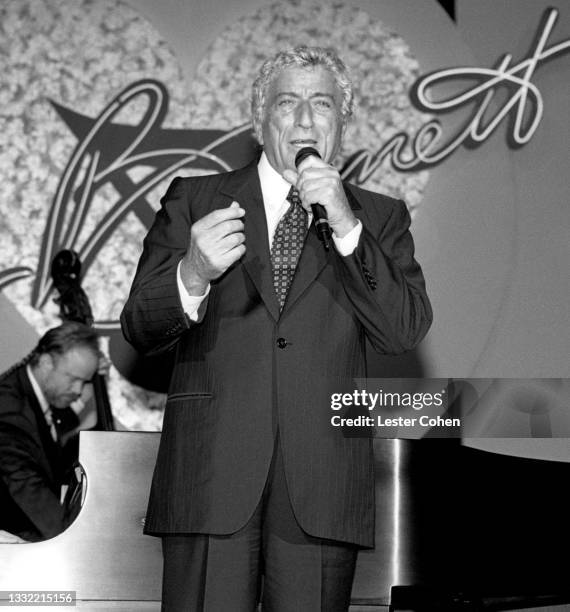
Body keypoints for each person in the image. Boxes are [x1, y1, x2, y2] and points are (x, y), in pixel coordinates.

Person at [121, 45, 432, 611]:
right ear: (258, 117)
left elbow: (404, 331)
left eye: (323, 105)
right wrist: (191, 273)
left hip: (322, 481)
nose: (306, 120)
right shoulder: (196, 199)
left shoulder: (379, 217)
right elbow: (139, 327)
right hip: (210, 475)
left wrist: (344, 224)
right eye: (288, 103)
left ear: (344, 122)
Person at [0, 321, 100, 542]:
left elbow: (46, 432)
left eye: (84, 382)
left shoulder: (32, 396)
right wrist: (77, 541)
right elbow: (26, 486)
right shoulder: (8, 413)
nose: (77, 390)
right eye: (73, 379)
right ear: (45, 362)